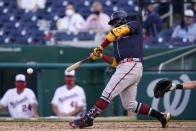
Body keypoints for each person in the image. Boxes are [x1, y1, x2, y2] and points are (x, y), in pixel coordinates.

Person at [69, 10, 171, 128]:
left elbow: (116, 32)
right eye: (113, 22)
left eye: (116, 21)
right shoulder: (117, 42)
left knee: (108, 93)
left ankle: (88, 119)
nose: (114, 24)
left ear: (123, 19)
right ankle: (161, 116)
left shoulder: (133, 25)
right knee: (130, 105)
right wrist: (101, 55)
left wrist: (101, 47)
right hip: (126, 67)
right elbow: (115, 63)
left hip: (131, 64)